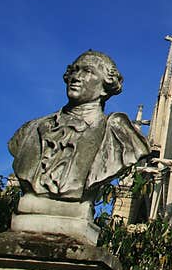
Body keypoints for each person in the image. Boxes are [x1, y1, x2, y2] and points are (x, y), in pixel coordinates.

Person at [8, 50, 150, 203]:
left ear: (106, 86)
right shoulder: (31, 129)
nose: (76, 77)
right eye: (74, 70)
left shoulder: (120, 135)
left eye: (88, 71)